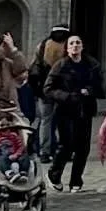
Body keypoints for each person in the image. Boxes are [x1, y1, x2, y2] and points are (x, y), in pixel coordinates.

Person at [44, 32, 104, 193]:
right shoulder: (60, 65)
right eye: (71, 44)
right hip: (66, 110)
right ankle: (54, 174)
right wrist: (66, 96)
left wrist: (89, 91)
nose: (75, 46)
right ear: (67, 48)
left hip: (85, 110)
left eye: (78, 43)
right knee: (67, 145)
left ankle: (76, 181)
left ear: (82, 46)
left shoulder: (92, 64)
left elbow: (99, 86)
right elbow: (48, 89)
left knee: (83, 147)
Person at [27, 28, 69, 161]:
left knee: (45, 121)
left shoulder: (44, 45)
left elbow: (34, 67)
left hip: (44, 89)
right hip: (62, 89)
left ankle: (44, 151)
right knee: (64, 120)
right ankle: (64, 149)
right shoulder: (67, 45)